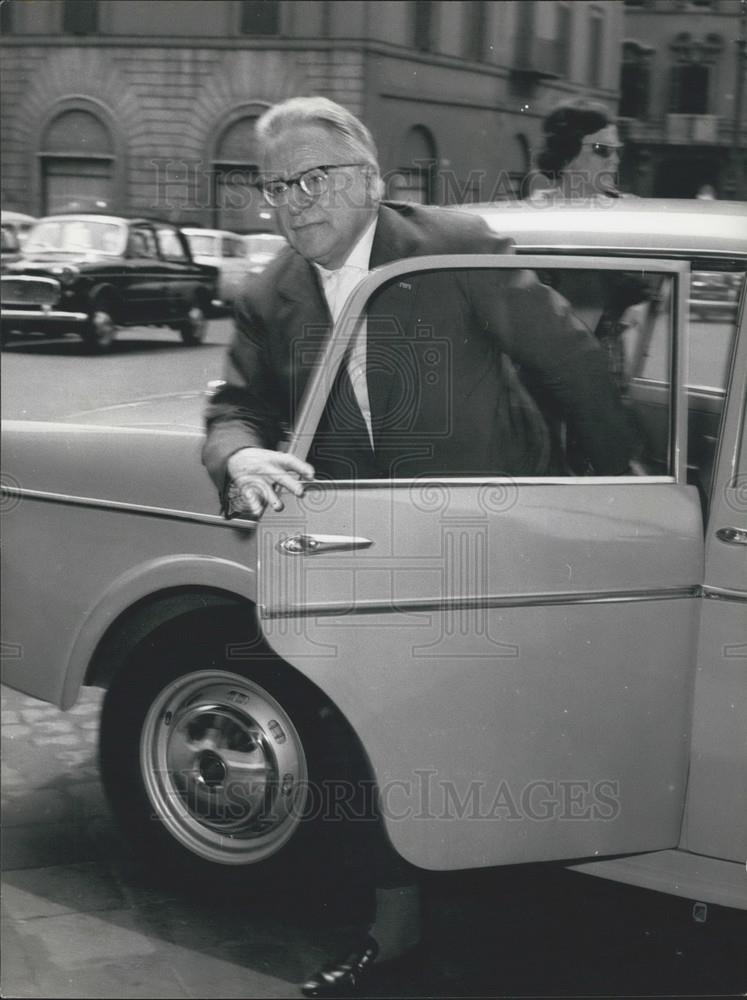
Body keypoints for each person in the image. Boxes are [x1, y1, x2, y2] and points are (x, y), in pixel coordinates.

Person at [203, 96, 635, 996]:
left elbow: (572, 368)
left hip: (499, 546)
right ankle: (392, 938)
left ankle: (528, 943)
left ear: (370, 178)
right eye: (276, 185)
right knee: (376, 749)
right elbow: (234, 408)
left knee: (509, 754)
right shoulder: (266, 291)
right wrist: (241, 453)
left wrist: (611, 508)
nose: (292, 201)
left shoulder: (449, 246)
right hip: (371, 560)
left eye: (314, 177)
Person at [530, 98, 624, 202]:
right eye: (603, 149)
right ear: (567, 155)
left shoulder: (624, 211)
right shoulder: (534, 212)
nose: (615, 160)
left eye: (617, 151)